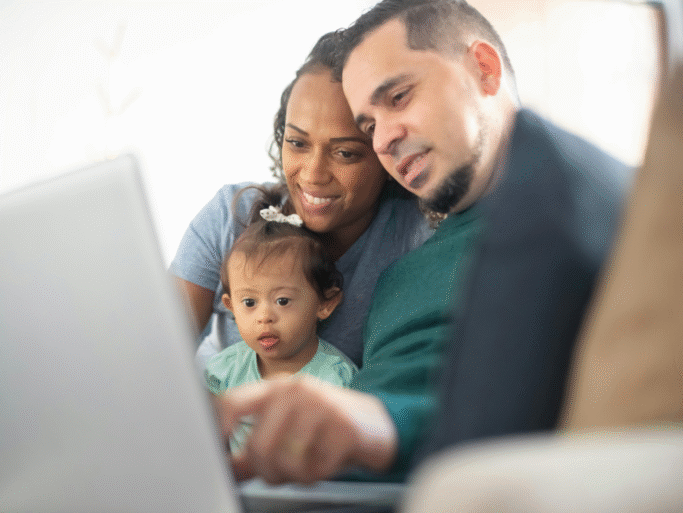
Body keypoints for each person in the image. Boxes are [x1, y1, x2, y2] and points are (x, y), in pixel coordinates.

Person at [217, 0, 625, 485]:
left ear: (484, 68)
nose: (383, 140)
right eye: (369, 126)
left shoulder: (568, 193)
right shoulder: (404, 274)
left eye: (399, 97)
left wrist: (376, 424)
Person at [170, 31, 432, 370]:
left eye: (345, 153)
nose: (313, 175)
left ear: (387, 153)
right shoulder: (229, 217)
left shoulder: (418, 239)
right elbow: (157, 354)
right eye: (297, 143)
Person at [205, 186, 358, 451]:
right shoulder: (223, 371)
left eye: (283, 301)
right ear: (231, 307)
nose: (265, 317)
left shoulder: (337, 380)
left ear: (325, 303)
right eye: (249, 303)